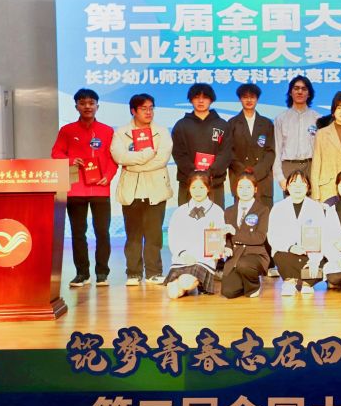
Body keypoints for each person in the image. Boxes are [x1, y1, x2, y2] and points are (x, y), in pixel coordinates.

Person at [51, 88, 118, 287]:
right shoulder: (67, 130)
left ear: (97, 106)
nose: (87, 106)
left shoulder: (107, 131)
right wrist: (71, 160)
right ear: (76, 106)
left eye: (91, 103)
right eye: (82, 103)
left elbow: (113, 158)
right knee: (78, 233)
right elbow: (56, 153)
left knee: (102, 232)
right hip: (75, 188)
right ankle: (82, 273)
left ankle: (102, 273)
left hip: (100, 188)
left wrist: (108, 176)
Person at [110, 93, 173, 286]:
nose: (148, 112)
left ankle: (154, 272)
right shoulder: (121, 133)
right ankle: (133, 273)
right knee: (133, 235)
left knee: (154, 234)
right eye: (144, 108)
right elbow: (120, 157)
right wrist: (147, 154)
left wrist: (134, 164)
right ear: (133, 111)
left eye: (151, 108)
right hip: (132, 190)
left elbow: (162, 159)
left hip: (156, 189)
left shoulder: (162, 132)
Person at [163, 172, 227, 300]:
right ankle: (191, 284)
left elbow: (220, 238)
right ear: (189, 189)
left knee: (185, 282)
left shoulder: (217, 211)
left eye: (201, 187)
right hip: (183, 259)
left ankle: (193, 283)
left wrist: (217, 252)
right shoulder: (180, 211)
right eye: (194, 187)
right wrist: (183, 254)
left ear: (208, 189)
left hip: (204, 260)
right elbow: (173, 237)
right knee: (173, 294)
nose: (197, 191)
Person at [268, 169, 326, 296]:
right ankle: (290, 282)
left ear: (308, 187)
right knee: (281, 256)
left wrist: (315, 259)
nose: (298, 187)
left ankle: (306, 283)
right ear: (287, 187)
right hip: (288, 254)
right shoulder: (278, 208)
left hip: (310, 254)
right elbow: (272, 236)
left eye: (302, 184)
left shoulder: (316, 208)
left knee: (322, 264)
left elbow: (323, 236)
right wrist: (290, 247)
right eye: (294, 184)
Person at [171, 83, 231, 205]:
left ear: (211, 100)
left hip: (214, 183)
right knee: (186, 216)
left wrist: (210, 172)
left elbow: (226, 153)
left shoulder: (222, 125)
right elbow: (178, 153)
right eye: (196, 97)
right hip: (189, 183)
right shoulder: (181, 125)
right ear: (191, 100)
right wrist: (194, 172)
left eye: (205, 97)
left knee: (215, 217)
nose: (201, 101)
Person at [225, 83, 276, 212]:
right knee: (241, 218)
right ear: (240, 99)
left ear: (257, 99)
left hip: (263, 179)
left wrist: (256, 171)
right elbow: (228, 151)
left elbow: (270, 151)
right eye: (245, 97)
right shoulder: (232, 123)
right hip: (240, 178)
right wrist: (244, 171)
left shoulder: (266, 123)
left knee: (264, 217)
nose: (249, 100)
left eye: (252, 97)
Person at [219, 174, 270, 299]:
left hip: (255, 254)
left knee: (244, 264)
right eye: (241, 187)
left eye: (248, 187)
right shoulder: (229, 211)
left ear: (255, 189)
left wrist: (235, 233)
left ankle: (253, 286)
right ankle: (244, 281)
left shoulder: (263, 210)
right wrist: (227, 247)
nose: (244, 191)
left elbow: (260, 237)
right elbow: (228, 237)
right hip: (235, 256)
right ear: (235, 189)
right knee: (228, 292)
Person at [273, 75, 321, 197]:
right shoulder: (281, 119)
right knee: (290, 206)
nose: (300, 91)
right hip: (289, 167)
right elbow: (277, 149)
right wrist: (280, 177)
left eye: (304, 89)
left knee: (312, 204)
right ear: (290, 92)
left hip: (311, 166)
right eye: (296, 88)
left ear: (309, 94)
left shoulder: (317, 118)